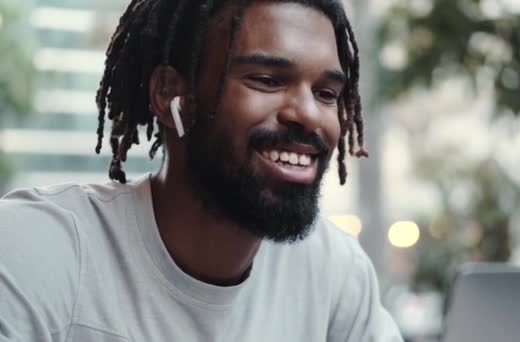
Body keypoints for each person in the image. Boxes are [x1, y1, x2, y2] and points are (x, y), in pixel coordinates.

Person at [0, 0, 403, 341]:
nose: (309, 115)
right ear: (170, 95)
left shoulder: (334, 270)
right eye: (267, 80)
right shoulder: (38, 248)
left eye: (326, 93)